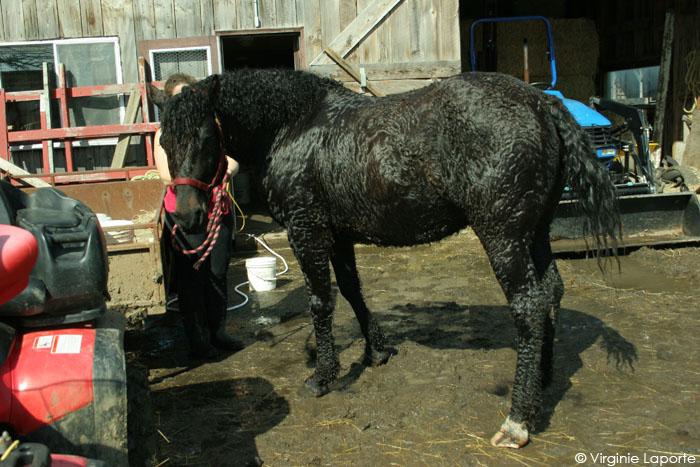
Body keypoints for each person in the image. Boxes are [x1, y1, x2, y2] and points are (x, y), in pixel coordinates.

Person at [153, 73, 243, 359]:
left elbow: (233, 159)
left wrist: (230, 168)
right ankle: (198, 339)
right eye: (179, 97)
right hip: (186, 209)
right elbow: (168, 175)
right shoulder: (164, 133)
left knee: (217, 272)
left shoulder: (211, 129)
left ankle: (218, 331)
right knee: (192, 279)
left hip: (219, 209)